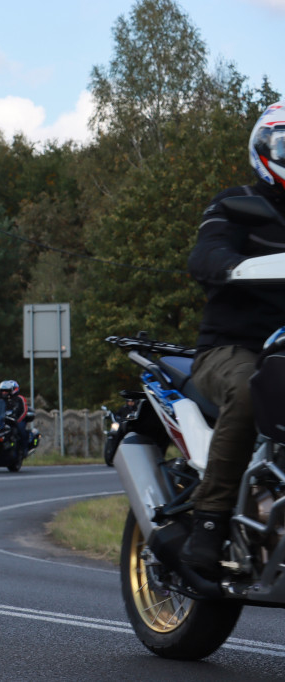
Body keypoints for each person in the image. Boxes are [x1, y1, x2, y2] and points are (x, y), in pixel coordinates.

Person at [182, 101, 285, 579]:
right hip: (232, 348)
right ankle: (209, 521)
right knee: (250, 391)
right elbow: (207, 253)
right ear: (265, 149)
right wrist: (230, 266)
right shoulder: (234, 205)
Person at [0, 380, 29, 455]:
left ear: (13, 390)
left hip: (17, 420)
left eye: (6, 391)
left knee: (21, 430)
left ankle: (24, 449)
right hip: (4, 420)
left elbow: (24, 411)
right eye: (2, 391)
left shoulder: (19, 398)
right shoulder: (0, 400)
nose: (4, 393)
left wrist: (18, 420)